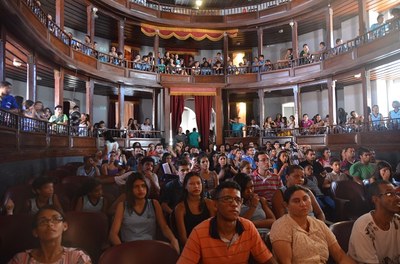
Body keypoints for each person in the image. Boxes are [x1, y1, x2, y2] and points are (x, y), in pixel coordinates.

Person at [177, 181, 276, 264]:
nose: (234, 204)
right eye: (227, 199)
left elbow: (267, 259)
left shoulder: (248, 227)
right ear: (215, 205)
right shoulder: (199, 233)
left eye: (238, 200)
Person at [270, 185, 355, 264]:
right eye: (296, 201)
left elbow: (340, 256)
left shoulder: (319, 224)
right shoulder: (281, 226)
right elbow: (286, 262)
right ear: (286, 205)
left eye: (305, 199)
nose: (303, 204)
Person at [109, 173, 179, 253]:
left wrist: (173, 239)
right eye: (136, 187)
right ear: (130, 189)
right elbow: (113, 234)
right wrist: (123, 250)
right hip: (129, 247)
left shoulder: (154, 203)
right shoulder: (122, 206)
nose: (141, 189)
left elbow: (164, 226)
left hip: (150, 247)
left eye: (143, 186)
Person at [8, 205, 92, 264]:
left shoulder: (76, 257)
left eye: (55, 219)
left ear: (65, 226)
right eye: (43, 221)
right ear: (35, 232)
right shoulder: (21, 259)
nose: (50, 224)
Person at [348, 180, 400, 263]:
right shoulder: (364, 227)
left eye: (396, 194)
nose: (397, 198)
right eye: (389, 194)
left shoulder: (397, 220)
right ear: (375, 199)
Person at [174, 172, 215, 246]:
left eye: (198, 183)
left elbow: (214, 228)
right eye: (192, 184)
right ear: (185, 186)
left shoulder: (210, 203)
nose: (196, 186)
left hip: (209, 243)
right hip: (190, 245)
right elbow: (183, 238)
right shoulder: (180, 208)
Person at [233, 173, 276, 238]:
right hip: (248, 235)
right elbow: (239, 225)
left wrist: (251, 223)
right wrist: (253, 206)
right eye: (246, 188)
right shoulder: (234, 204)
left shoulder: (260, 200)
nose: (250, 191)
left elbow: (273, 221)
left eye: (252, 187)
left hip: (267, 234)